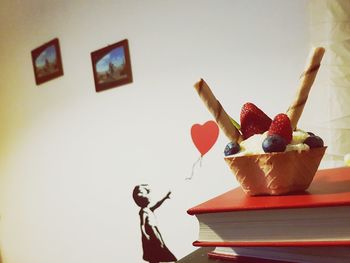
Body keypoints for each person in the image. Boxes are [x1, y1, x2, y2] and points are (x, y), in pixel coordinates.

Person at [132, 184, 177, 263]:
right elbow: (142, 224)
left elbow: (157, 204)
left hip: (154, 231)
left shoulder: (148, 209)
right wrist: (145, 234)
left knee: (159, 248)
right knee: (154, 252)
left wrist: (165, 197)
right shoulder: (143, 211)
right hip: (150, 233)